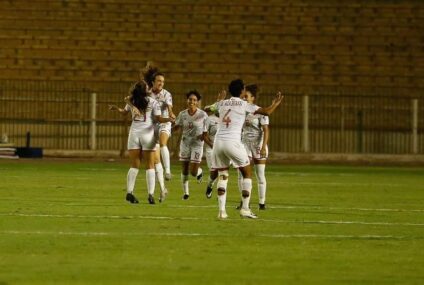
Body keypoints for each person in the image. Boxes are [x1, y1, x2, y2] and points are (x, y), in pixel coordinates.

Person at [206, 79, 283, 219]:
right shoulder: (244, 104)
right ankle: (245, 209)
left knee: (223, 175)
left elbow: (206, 109)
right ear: (241, 91)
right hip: (233, 142)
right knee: (247, 173)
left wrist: (218, 101)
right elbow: (266, 112)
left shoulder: (222, 103)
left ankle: (222, 212)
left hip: (218, 143)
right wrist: (275, 104)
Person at [109, 81, 174, 204]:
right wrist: (169, 119)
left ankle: (129, 192)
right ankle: (150, 194)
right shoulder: (152, 102)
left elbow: (124, 113)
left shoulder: (132, 101)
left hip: (133, 134)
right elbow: (159, 119)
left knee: (134, 165)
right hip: (147, 134)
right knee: (150, 165)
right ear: (145, 90)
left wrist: (116, 108)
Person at [140, 63, 174, 202]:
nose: (161, 83)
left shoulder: (166, 94)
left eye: (163, 82)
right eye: (159, 81)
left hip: (164, 123)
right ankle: (163, 189)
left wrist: (171, 115)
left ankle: (168, 171)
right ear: (153, 82)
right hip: (151, 126)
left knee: (163, 142)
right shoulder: (147, 92)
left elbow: (170, 108)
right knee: (155, 161)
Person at [237, 84, 270, 210]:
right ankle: (244, 201)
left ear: (253, 98)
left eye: (247, 96)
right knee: (241, 174)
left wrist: (263, 147)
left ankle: (262, 203)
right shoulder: (240, 110)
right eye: (243, 96)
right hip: (244, 144)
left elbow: (266, 130)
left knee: (260, 174)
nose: (244, 98)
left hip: (258, 144)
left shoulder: (260, 112)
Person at [173, 90, 208, 200]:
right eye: (190, 99)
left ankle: (199, 172)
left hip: (197, 145)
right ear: (187, 100)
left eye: (194, 100)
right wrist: (169, 128)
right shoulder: (182, 114)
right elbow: (177, 126)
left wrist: (203, 136)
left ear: (197, 102)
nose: (192, 102)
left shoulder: (203, 115)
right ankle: (186, 193)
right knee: (184, 168)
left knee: (193, 172)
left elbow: (206, 131)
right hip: (185, 143)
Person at [203, 105, 220, 199]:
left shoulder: (228, 118)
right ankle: (209, 186)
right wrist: (211, 145)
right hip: (211, 148)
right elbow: (204, 136)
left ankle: (221, 192)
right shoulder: (210, 119)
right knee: (214, 172)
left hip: (223, 148)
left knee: (222, 172)